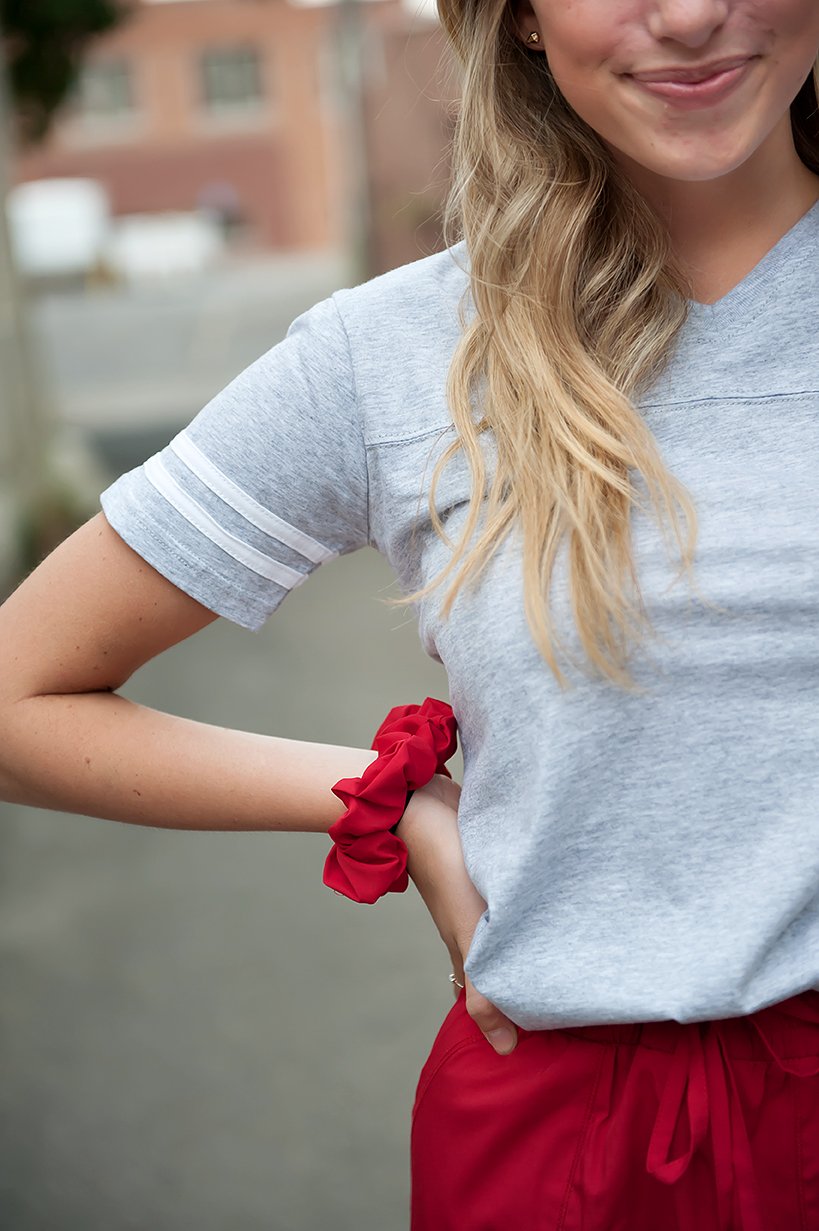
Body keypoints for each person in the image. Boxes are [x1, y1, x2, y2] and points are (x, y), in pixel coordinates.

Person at [2, 0, 819, 1227]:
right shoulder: (390, 357)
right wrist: (394, 805)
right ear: (519, 19)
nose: (695, 12)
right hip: (556, 1151)